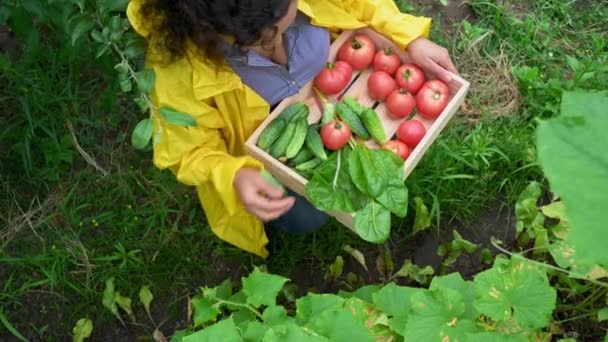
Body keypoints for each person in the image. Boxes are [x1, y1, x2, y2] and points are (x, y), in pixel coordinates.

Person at [126, 0, 458, 258]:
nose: (279, 45)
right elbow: (187, 150)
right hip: (268, 145)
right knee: (305, 217)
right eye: (264, 43)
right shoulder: (178, 69)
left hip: (332, 93)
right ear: (215, 33)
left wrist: (407, 37)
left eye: (288, 18)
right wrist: (234, 175)